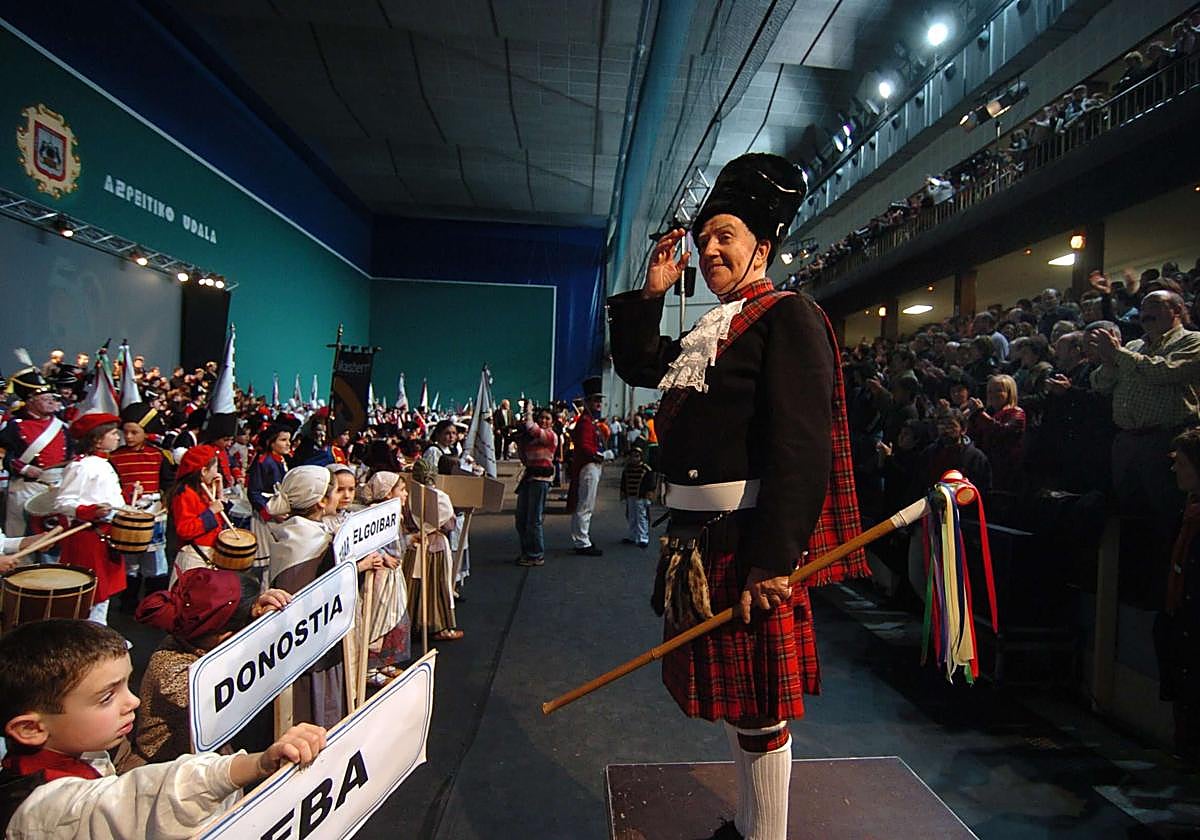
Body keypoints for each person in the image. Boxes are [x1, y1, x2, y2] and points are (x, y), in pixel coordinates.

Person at [609, 154, 868, 840]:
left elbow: (802, 450)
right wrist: (652, 290)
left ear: (765, 245)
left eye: (726, 234)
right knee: (738, 704)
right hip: (700, 543)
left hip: (748, 541)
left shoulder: (790, 318)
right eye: (706, 237)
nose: (711, 247)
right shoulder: (712, 327)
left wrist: (775, 560)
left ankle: (766, 837)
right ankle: (753, 824)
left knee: (759, 709)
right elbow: (639, 365)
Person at [0, 618, 326, 838]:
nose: (133, 703)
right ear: (30, 729)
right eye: (105, 698)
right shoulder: (39, 810)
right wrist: (253, 765)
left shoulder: (84, 748)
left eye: (127, 685)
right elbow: (138, 798)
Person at [132, 569, 291, 764]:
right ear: (225, 636)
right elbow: (231, 695)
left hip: (209, 761)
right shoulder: (171, 669)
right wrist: (262, 634)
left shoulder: (195, 641)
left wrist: (257, 604)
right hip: (165, 773)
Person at [52, 414, 126, 625]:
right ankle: (89, 635)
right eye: (112, 433)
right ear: (96, 439)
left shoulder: (104, 463)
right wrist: (92, 511)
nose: (117, 437)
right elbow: (62, 502)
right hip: (87, 537)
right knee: (90, 594)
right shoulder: (81, 467)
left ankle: (98, 632)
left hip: (106, 535)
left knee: (104, 593)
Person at [110, 403, 175, 611]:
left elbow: (168, 484)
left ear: (145, 433)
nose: (128, 437)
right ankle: (128, 602)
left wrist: (165, 503)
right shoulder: (115, 457)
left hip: (153, 513)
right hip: (127, 512)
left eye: (134, 432)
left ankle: (154, 603)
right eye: (125, 432)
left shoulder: (158, 455)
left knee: (155, 558)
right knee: (130, 558)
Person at [1, 364, 69, 538]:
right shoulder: (14, 426)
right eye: (45, 399)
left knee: (55, 535)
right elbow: (3, 454)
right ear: (30, 401)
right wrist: (23, 469)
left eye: (52, 398)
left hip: (56, 486)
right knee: (20, 533)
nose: (52, 402)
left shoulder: (62, 427)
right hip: (26, 486)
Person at [167, 445, 228, 583]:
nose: (217, 473)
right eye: (215, 468)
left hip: (208, 554)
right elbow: (185, 529)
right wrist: (211, 512)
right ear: (204, 471)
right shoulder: (184, 493)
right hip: (194, 556)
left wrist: (220, 493)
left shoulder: (204, 489)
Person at [514, 406, 558, 567]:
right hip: (529, 477)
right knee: (521, 518)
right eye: (542, 418)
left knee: (534, 519)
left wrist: (529, 412)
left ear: (552, 422)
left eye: (547, 418)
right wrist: (520, 441)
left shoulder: (550, 436)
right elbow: (524, 458)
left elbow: (531, 428)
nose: (544, 421)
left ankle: (536, 554)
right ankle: (526, 551)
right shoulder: (532, 439)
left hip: (541, 480)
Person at [568, 377, 607, 556]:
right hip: (589, 466)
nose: (598, 403)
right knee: (586, 505)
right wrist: (599, 455)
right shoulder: (585, 422)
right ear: (587, 402)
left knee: (584, 504)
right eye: (594, 400)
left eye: (599, 400)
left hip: (590, 465)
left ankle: (581, 539)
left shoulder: (589, 421)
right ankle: (582, 541)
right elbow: (584, 446)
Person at [247, 425, 291, 579]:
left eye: (289, 440)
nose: (288, 444)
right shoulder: (263, 462)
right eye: (283, 440)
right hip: (265, 515)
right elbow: (254, 492)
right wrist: (270, 514)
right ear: (272, 443)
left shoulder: (281, 460)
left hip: (279, 514)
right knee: (266, 562)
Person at [619, 444, 655, 548]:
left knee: (641, 517)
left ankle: (643, 537)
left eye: (637, 456)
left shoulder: (646, 469)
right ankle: (632, 536)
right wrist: (623, 492)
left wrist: (649, 494)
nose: (634, 458)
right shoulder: (627, 469)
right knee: (631, 516)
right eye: (632, 456)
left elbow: (650, 483)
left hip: (641, 497)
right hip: (631, 496)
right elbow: (623, 482)